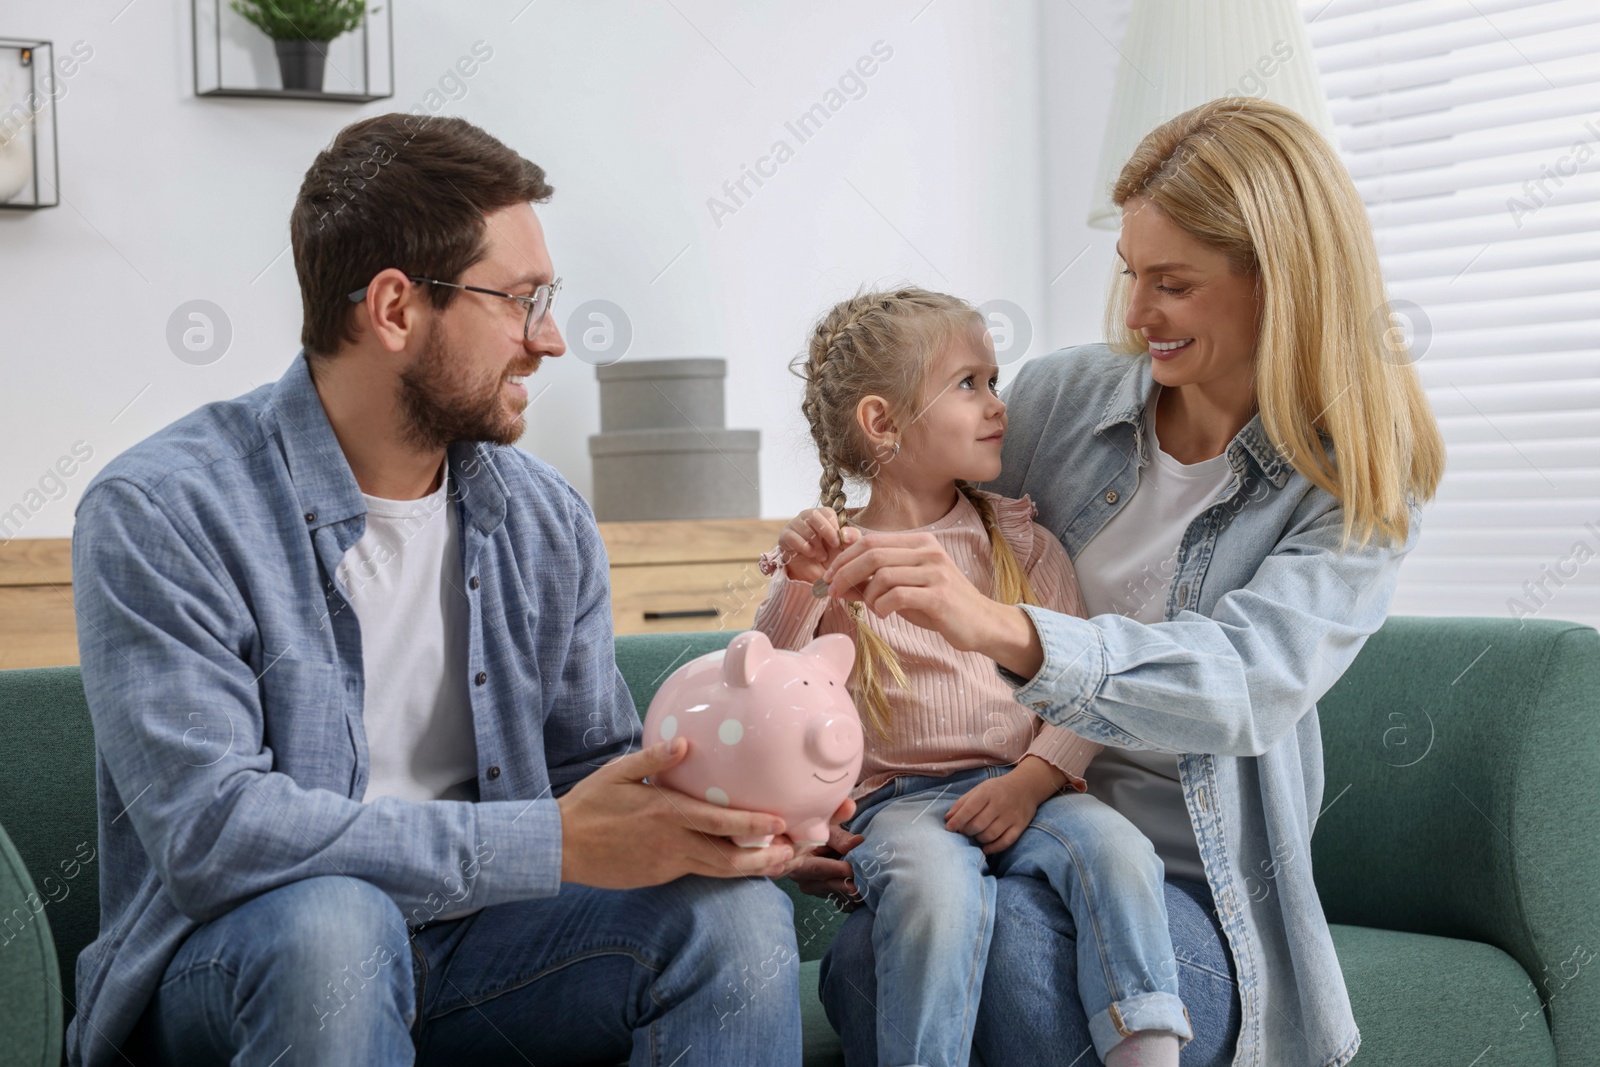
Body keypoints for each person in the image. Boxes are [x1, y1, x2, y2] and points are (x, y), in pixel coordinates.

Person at [66, 114, 813, 1067]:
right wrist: (546, 846)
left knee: (731, 917)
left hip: (485, 949)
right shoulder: (164, 510)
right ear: (393, 310)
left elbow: (593, 777)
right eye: (523, 300)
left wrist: (728, 819)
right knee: (337, 924)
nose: (548, 341)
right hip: (242, 960)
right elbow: (216, 834)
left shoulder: (546, 519)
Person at [794, 97, 1446, 1067]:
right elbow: (913, 532)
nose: (1137, 314)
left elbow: (1246, 683)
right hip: (968, 830)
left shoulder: (1351, 479)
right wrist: (815, 791)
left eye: (1172, 284)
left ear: (1282, 284)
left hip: (1180, 891)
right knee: (910, 934)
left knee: (990, 956)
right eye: (1131, 274)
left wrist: (1008, 632)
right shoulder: (1061, 399)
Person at [755, 288, 1194, 1067]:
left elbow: (1084, 686)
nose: (998, 405)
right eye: (969, 384)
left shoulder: (1021, 542)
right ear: (882, 422)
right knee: (935, 897)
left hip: (1027, 785)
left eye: (994, 381)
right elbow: (773, 694)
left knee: (1120, 850)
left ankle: (1147, 1046)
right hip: (902, 806)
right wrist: (801, 584)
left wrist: (1030, 781)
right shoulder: (835, 561)